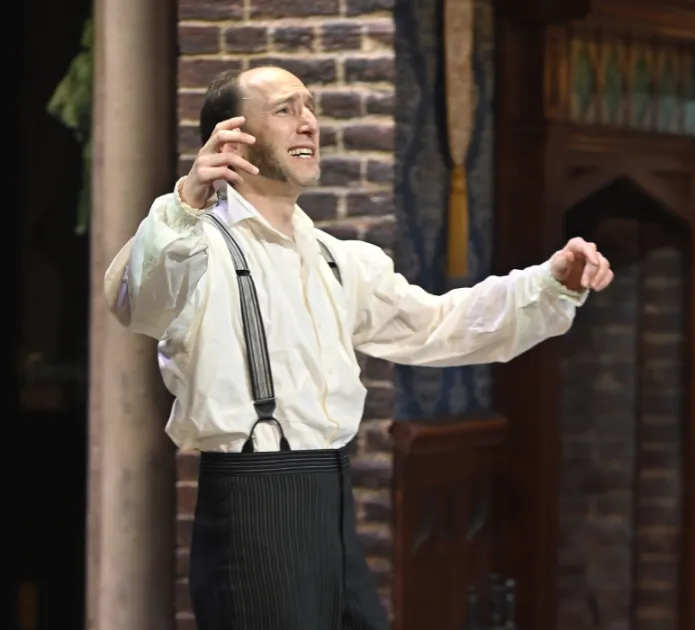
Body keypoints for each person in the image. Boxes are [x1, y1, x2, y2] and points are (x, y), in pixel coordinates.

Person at [102, 65, 614, 630]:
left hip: (332, 498)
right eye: (285, 110)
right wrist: (186, 199)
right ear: (234, 138)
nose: (309, 124)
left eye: (310, 106)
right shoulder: (193, 249)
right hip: (254, 510)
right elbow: (137, 299)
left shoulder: (335, 259)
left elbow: (439, 324)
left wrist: (550, 282)